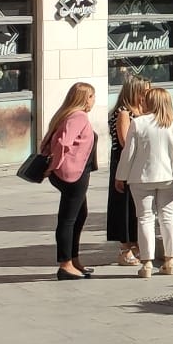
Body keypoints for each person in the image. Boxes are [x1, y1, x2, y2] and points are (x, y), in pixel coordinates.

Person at [125, 86, 173, 278]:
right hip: (170, 175)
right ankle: (170, 260)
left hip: (141, 177)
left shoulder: (138, 123)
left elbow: (128, 154)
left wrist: (121, 176)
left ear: (151, 102)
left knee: (145, 218)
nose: (142, 102)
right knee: (168, 216)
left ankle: (147, 263)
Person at [43, 82, 98, 280]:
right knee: (68, 219)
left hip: (73, 173)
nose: (94, 101)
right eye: (92, 96)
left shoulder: (67, 115)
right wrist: (53, 166)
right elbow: (62, 142)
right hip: (72, 174)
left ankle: (74, 260)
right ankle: (65, 265)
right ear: (84, 98)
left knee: (80, 215)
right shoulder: (79, 116)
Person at [105, 76, 150, 267]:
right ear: (135, 91)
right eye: (145, 90)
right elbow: (125, 142)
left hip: (139, 162)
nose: (147, 94)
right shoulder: (123, 112)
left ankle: (135, 243)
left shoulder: (143, 111)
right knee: (123, 204)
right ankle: (125, 249)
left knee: (135, 206)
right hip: (124, 161)